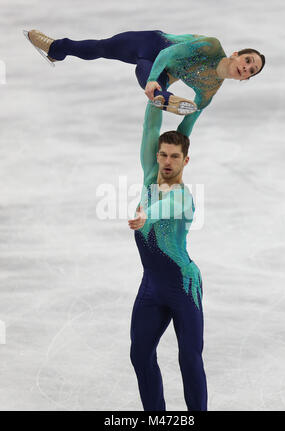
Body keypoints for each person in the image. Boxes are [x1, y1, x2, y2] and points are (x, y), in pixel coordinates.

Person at [24, 29, 265, 136]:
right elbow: (167, 55)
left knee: (153, 84)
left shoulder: (210, 89)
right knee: (102, 47)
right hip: (152, 43)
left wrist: (180, 148)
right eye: (247, 60)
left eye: (251, 71)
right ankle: (57, 48)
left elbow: (189, 122)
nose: (246, 67)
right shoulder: (211, 46)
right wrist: (151, 81)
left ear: (245, 79)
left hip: (159, 73)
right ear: (236, 54)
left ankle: (165, 99)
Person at [127, 101, 207, 411]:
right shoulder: (150, 176)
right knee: (140, 354)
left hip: (183, 287)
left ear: (186, 160)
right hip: (151, 288)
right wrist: (153, 97)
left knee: (189, 357)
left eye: (175, 156)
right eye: (163, 154)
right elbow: (150, 128)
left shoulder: (182, 196)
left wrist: (147, 215)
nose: (167, 161)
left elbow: (166, 207)